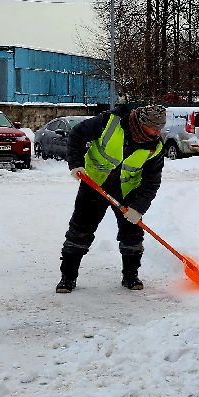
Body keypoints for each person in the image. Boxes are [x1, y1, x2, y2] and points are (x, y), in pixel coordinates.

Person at [56, 103, 168, 293]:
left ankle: (131, 276)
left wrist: (139, 208)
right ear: (142, 123)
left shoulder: (155, 147)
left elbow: (152, 181)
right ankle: (68, 278)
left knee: (132, 234)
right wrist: (76, 164)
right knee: (80, 230)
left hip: (127, 190)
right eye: (153, 127)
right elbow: (77, 135)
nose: (157, 132)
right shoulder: (110, 122)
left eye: (160, 128)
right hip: (95, 183)